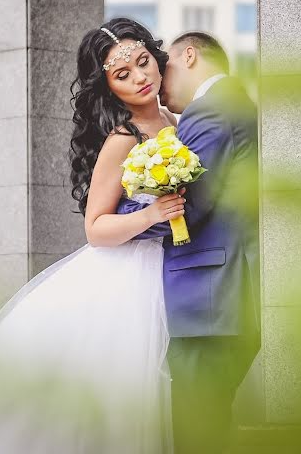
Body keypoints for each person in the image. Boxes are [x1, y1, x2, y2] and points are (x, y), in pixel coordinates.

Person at [0, 18, 187, 453]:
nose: (140, 78)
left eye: (143, 63)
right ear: (109, 88)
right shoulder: (122, 139)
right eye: (123, 75)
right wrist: (150, 216)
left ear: (155, 55)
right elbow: (95, 227)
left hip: (169, 264)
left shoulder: (177, 118)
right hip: (127, 275)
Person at [117, 31, 260, 453]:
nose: (158, 81)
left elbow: (188, 206)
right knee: (209, 423)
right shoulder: (237, 104)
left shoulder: (211, 110)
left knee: (197, 428)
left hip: (209, 296)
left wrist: (122, 222)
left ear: (190, 55)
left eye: (165, 67)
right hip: (224, 295)